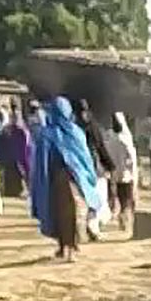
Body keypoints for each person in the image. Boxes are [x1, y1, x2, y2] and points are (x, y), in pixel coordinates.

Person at [30, 96, 102, 262]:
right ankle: (72, 246)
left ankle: (64, 247)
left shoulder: (46, 134)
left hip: (55, 180)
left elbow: (41, 162)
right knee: (75, 213)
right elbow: (85, 159)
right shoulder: (76, 132)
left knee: (59, 214)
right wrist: (88, 176)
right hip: (77, 180)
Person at [74, 98, 113, 238]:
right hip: (93, 168)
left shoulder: (72, 127)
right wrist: (109, 165)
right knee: (96, 197)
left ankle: (85, 228)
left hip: (78, 168)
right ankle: (93, 228)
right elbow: (100, 147)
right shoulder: (92, 127)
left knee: (83, 198)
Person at [105, 112, 138, 230]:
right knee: (126, 199)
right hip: (126, 174)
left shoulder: (109, 138)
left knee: (119, 197)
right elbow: (132, 158)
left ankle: (122, 219)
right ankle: (124, 219)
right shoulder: (125, 139)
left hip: (115, 174)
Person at [0, 109, 31, 199]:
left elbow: (27, 143)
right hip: (15, 155)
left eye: (16, 117)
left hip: (24, 155)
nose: (14, 119)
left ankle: (28, 191)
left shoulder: (23, 130)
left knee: (26, 174)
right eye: (13, 117)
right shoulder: (11, 129)